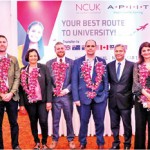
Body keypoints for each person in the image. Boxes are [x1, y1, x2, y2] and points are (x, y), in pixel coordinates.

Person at [72, 39, 109, 149]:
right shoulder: (78, 62)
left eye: (92, 46)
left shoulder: (102, 61)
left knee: (100, 122)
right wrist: (76, 98)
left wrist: (105, 94)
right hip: (83, 99)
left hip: (100, 98)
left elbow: (106, 81)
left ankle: (100, 143)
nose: (90, 48)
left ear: (96, 47)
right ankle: (82, 142)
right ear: (85, 47)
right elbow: (74, 81)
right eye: (88, 46)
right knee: (83, 122)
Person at [19, 49, 52, 149]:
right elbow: (21, 89)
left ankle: (44, 142)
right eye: (31, 56)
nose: (33, 58)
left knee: (43, 121)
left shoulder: (44, 68)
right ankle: (37, 142)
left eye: (35, 56)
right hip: (29, 102)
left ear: (37, 57)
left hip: (42, 101)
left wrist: (49, 101)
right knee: (33, 122)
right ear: (27, 58)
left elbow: (48, 84)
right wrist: (21, 104)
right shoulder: (23, 70)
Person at [46, 42, 75, 149]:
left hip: (67, 96)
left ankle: (71, 139)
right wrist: (55, 90)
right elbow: (48, 81)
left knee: (69, 119)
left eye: (62, 48)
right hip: (55, 96)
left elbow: (74, 80)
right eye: (58, 48)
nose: (60, 50)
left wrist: (67, 90)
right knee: (55, 119)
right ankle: (54, 139)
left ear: (65, 49)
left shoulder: (72, 63)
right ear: (55, 50)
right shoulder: (49, 63)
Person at [107, 44, 134, 149]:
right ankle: (116, 144)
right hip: (112, 100)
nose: (118, 53)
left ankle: (127, 144)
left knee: (127, 125)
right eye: (116, 51)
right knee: (114, 125)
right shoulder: (109, 65)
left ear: (124, 52)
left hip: (126, 100)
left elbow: (134, 83)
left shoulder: (132, 65)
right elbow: (106, 82)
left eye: (120, 51)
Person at [0, 35, 21, 149]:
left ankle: (16, 145)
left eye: (4, 42)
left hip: (12, 96)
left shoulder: (13, 59)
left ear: (7, 44)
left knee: (14, 123)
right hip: (0, 96)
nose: (2, 44)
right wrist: (1, 94)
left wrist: (11, 93)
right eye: (0, 42)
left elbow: (17, 77)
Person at [132, 42, 150, 149]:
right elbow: (135, 83)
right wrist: (147, 95)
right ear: (141, 53)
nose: (146, 52)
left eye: (148, 49)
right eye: (144, 50)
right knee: (140, 127)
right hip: (140, 100)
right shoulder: (137, 66)